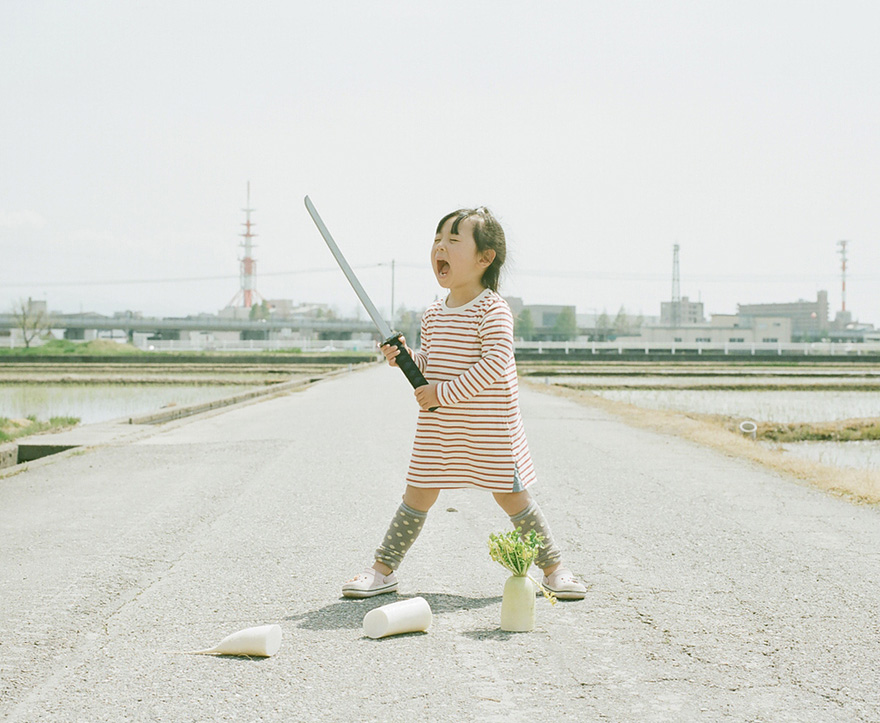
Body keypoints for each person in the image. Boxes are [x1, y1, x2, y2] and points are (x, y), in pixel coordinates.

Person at [342, 206, 586, 600]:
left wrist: (440, 393)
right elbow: (431, 367)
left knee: (512, 497)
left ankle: (555, 569)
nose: (440, 247)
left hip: (488, 427)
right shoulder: (434, 313)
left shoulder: (493, 309)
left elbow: (493, 365)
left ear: (484, 258)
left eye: (453, 241)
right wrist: (406, 357)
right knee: (417, 493)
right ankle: (382, 570)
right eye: (437, 241)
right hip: (441, 427)